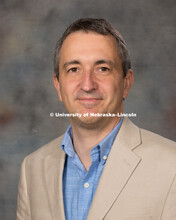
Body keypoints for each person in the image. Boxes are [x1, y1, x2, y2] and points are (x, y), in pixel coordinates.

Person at [17, 18, 176, 220]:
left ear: (126, 83)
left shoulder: (172, 166)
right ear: (58, 86)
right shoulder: (32, 169)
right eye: (74, 69)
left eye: (102, 69)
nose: (87, 84)